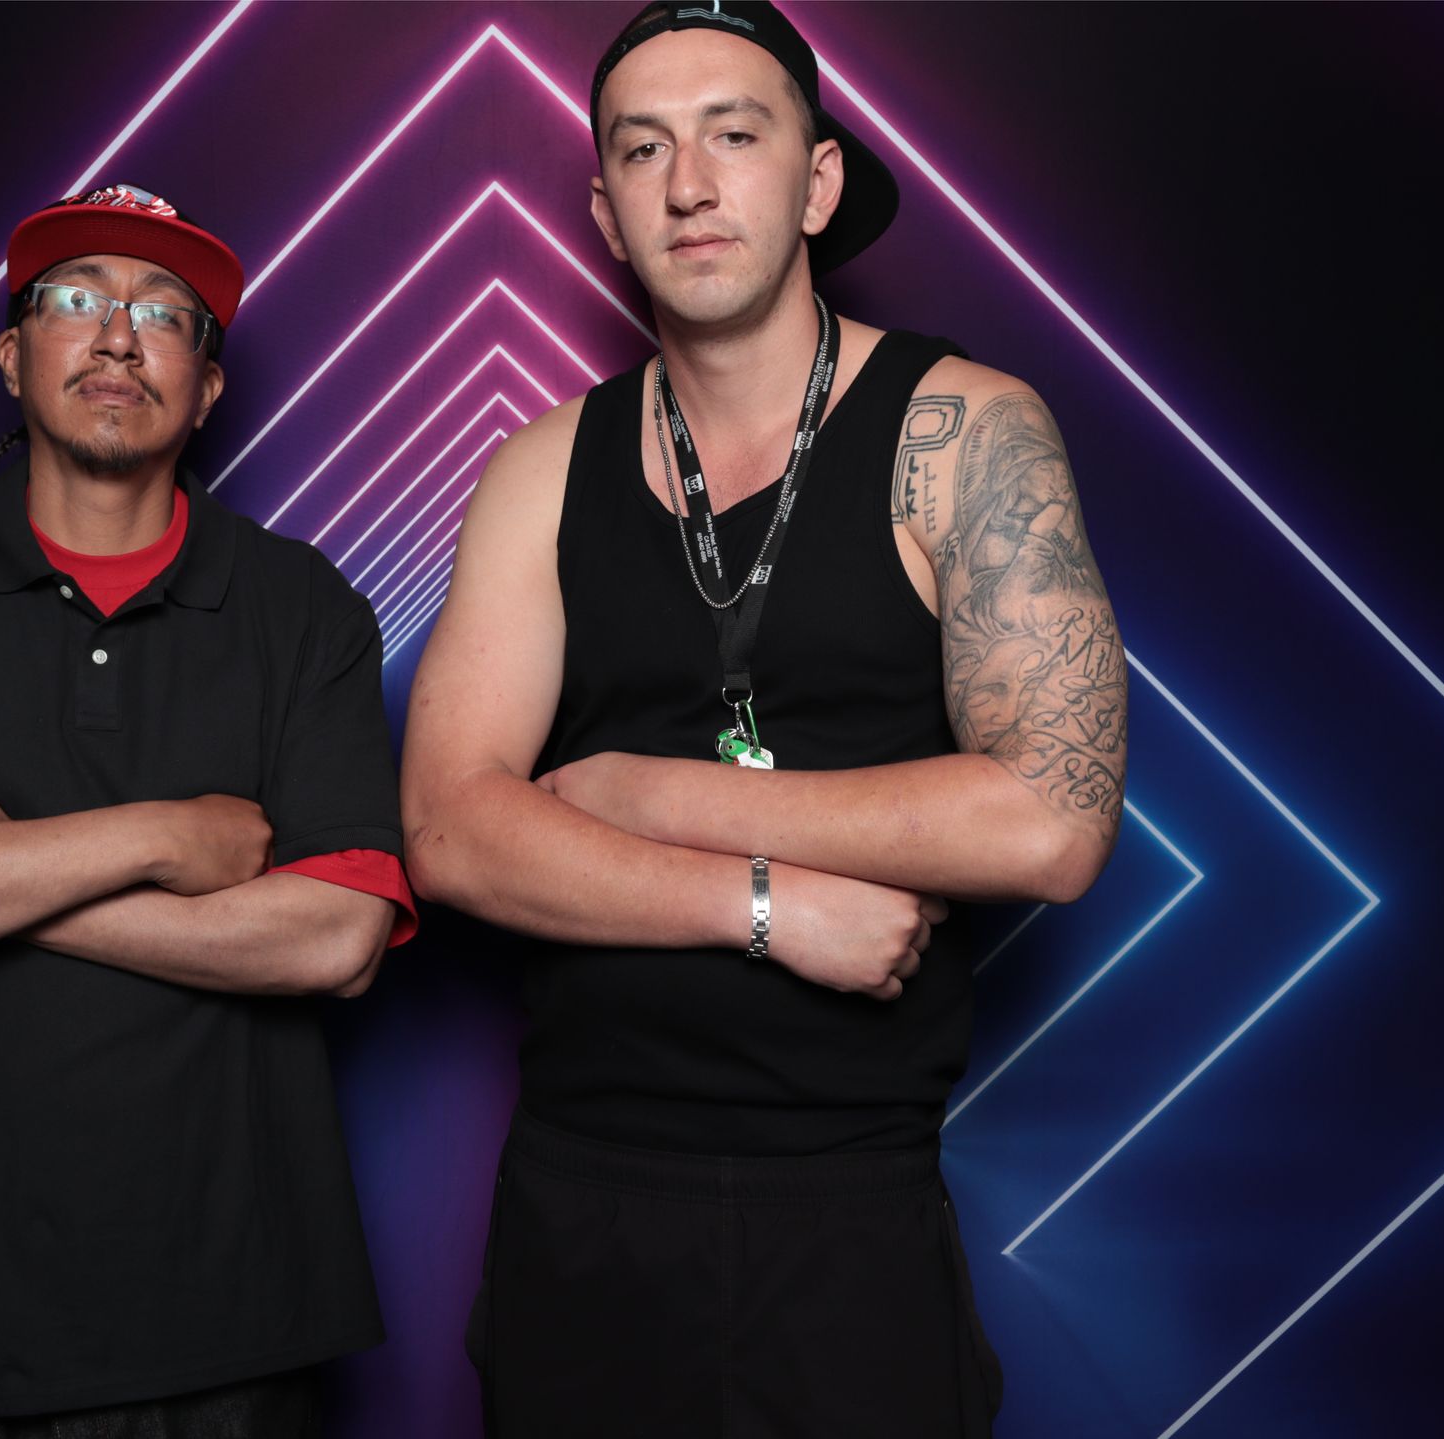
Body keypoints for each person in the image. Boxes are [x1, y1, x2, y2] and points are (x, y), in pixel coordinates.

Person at [401, 4, 1126, 1435]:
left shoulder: (964, 428)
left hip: (847, 1209)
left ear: (817, 181)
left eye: (735, 134)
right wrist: (765, 908)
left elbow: (1053, 817)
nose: (689, 183)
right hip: (581, 1202)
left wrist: (650, 791)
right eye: (643, 150)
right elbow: (449, 830)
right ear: (605, 215)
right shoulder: (542, 468)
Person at [0, 182, 417, 1437]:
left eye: (164, 314)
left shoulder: (302, 606)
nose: (116, 335)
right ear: (12, 357)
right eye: (75, 299)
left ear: (207, 388)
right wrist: (163, 837)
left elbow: (336, 937)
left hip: (236, 1326)